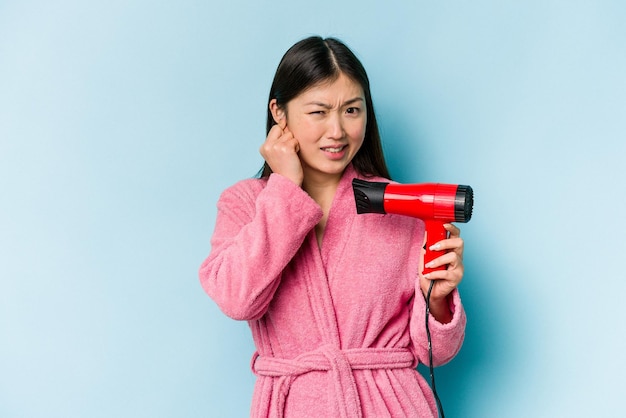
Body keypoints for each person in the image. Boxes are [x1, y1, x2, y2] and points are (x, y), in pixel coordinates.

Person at [199, 36, 466, 418]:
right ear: (279, 112)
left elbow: (434, 353)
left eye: (352, 111)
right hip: (294, 406)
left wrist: (436, 299)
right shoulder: (245, 204)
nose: (338, 131)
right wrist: (285, 190)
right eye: (319, 112)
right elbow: (237, 298)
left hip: (391, 405)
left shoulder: (399, 205)